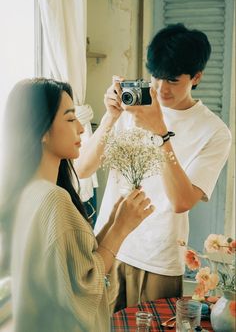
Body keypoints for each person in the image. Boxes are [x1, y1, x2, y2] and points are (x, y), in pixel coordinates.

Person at [76, 23, 232, 312]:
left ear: (196, 77)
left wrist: (161, 134)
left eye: (172, 80)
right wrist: (111, 117)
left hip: (158, 257)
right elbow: (83, 169)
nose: (161, 89)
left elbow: (181, 201)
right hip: (108, 244)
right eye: (156, 77)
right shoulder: (133, 105)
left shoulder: (215, 132)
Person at [0, 78, 154, 332]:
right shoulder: (53, 200)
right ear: (42, 131)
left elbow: (75, 262)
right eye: (71, 119)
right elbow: (84, 284)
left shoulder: (24, 190)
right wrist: (121, 229)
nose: (82, 129)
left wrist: (112, 222)